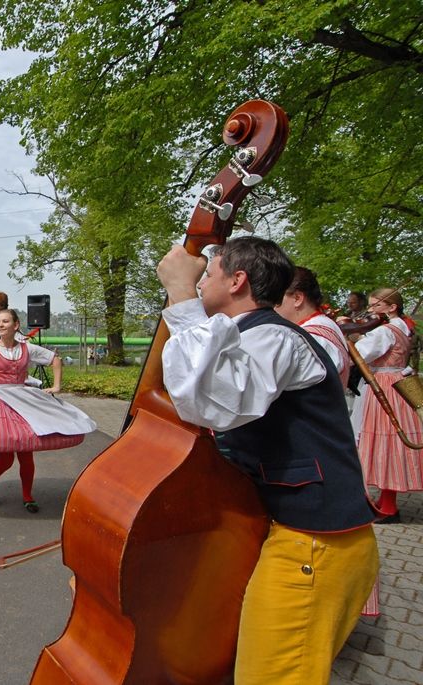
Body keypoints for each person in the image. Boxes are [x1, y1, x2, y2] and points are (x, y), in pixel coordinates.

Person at [156, 236, 378, 685]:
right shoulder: (248, 337)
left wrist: (180, 297)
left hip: (313, 544)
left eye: (209, 273)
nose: (201, 281)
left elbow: (217, 401)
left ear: (237, 280)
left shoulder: (275, 338)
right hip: (292, 539)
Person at [0, 309, 95, 512]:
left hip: (24, 401)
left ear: (16, 325)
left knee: (26, 454)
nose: (0, 325)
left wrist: (56, 387)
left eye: (5, 321)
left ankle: (28, 495)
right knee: (6, 457)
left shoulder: (27, 349)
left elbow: (55, 359)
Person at [350, 287, 423, 524]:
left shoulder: (384, 331)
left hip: (383, 384)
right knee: (392, 442)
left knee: (383, 441)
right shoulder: (403, 327)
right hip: (399, 383)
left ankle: (389, 506)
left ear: (392, 307)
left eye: (377, 306)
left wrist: (353, 337)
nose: (372, 311)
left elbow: (362, 355)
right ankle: (386, 500)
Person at [275, 267, 351, 387]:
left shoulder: (313, 337)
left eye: (276, 298)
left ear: (297, 298)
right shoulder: (323, 325)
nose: (271, 305)